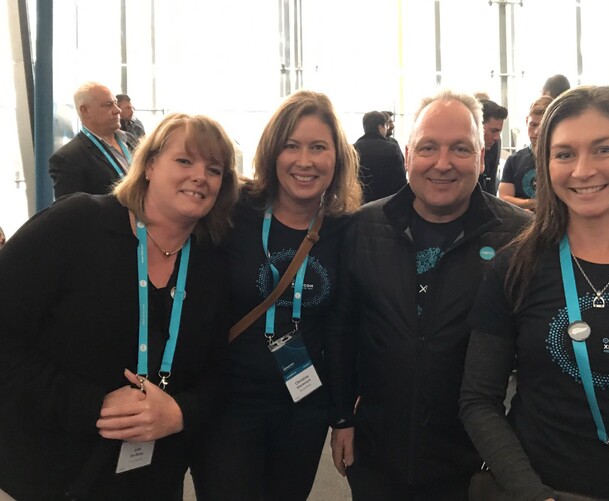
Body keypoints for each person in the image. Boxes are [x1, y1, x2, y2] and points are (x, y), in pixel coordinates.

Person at [0, 113, 239, 500]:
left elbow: (220, 368)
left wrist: (182, 412)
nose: (200, 176)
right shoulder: (76, 224)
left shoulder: (211, 262)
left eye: (214, 170)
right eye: (185, 160)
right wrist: (92, 406)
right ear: (149, 165)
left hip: (153, 476)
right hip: (54, 469)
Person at [460, 85, 609, 500]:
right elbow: (479, 400)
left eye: (604, 149)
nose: (583, 170)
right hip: (545, 488)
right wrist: (533, 494)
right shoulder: (517, 267)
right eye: (565, 154)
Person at [328, 89, 530, 501]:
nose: (442, 163)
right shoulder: (365, 228)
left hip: (474, 460)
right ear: (407, 156)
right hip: (376, 451)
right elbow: (342, 331)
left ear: (481, 157)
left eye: (460, 148)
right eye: (428, 148)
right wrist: (342, 417)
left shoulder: (518, 237)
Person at [191, 90, 362, 501]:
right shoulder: (233, 211)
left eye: (318, 147)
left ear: (336, 157)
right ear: (272, 152)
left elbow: (340, 328)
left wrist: (342, 416)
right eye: (291, 146)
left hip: (303, 406)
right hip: (228, 404)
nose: (305, 161)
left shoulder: (345, 228)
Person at [49, 82, 135, 199]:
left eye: (115, 103)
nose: (117, 110)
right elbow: (72, 208)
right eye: (108, 105)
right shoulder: (68, 158)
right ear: (85, 110)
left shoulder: (131, 140)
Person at [498, 95, 553, 211]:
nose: (537, 132)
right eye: (533, 125)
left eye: (543, 127)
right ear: (527, 121)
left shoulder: (561, 159)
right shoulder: (514, 161)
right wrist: (533, 204)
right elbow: (503, 198)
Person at [354, 110, 407, 203]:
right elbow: (400, 180)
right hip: (386, 203)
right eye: (386, 125)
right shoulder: (392, 148)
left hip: (361, 202)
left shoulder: (354, 148)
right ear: (380, 127)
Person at [479, 99, 508, 195]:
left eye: (499, 132)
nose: (497, 137)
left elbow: (491, 185)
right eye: (493, 131)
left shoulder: (495, 144)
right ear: (478, 126)